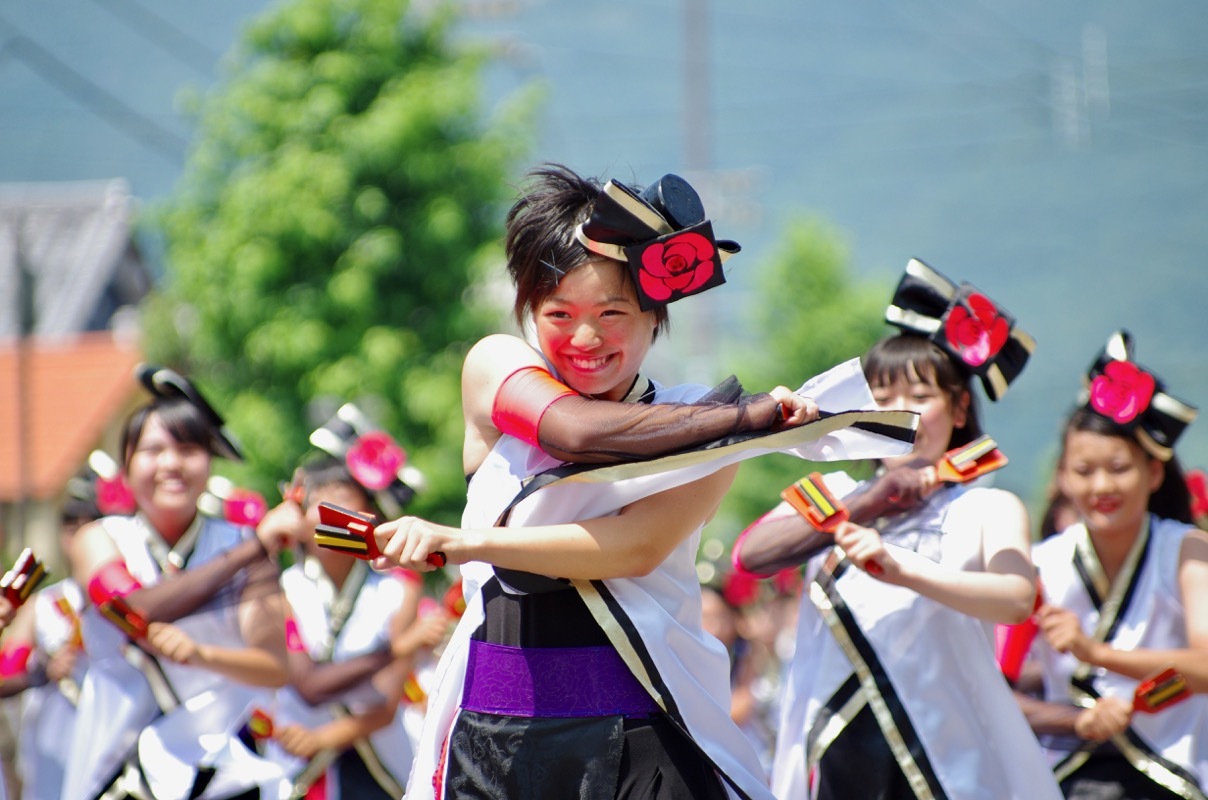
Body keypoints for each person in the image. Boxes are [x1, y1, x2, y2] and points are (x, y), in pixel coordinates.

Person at [366, 164, 917, 800]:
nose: (586, 336)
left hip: (645, 730)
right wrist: (746, 417)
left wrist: (466, 543)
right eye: (559, 312)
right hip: (494, 741)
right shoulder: (496, 365)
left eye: (613, 311)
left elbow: (634, 549)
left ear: (656, 316)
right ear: (527, 312)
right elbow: (571, 430)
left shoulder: (703, 424)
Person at [732, 257, 1063, 799]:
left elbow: (1015, 599)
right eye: (882, 400)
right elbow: (753, 556)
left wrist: (905, 570)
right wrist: (870, 502)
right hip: (839, 749)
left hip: (949, 756)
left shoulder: (987, 506)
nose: (900, 414)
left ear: (959, 409)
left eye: (920, 397)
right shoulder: (837, 491)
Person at [63, 364, 292, 800]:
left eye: (187, 449)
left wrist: (202, 654)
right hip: (116, 762)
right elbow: (135, 608)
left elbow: (275, 666)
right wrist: (252, 548)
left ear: (209, 460)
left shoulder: (241, 543)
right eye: (152, 450)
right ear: (126, 465)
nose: (170, 463)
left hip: (221, 768)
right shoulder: (99, 539)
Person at [1015, 331, 1208, 799]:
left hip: (1175, 772)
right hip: (1067, 774)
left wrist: (1094, 653)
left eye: (1119, 467)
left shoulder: (1187, 549)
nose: (1102, 485)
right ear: (1062, 476)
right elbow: (994, 680)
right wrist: (1076, 718)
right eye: (1084, 471)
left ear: (1154, 471)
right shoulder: (1043, 562)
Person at [264, 421, 448, 799]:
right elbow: (308, 685)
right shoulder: (283, 589)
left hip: (381, 758)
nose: (331, 511)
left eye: (344, 498)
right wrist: (399, 648)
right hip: (294, 754)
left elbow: (385, 699)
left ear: (370, 513)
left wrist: (322, 738)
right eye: (318, 500)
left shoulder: (399, 588)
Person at [2, 453, 133, 800]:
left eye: (88, 522)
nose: (77, 533)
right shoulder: (42, 603)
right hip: (54, 738)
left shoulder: (128, 594)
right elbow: (6, 670)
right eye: (69, 523)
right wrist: (42, 668)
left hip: (116, 731)